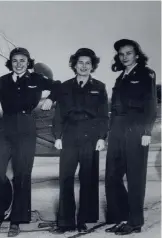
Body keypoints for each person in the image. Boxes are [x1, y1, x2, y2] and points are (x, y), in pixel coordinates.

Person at [0, 47, 60, 237]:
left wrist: (51, 98)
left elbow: (58, 86)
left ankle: (16, 221)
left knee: (22, 174)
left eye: (22, 60)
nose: (18, 64)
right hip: (6, 127)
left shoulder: (36, 79)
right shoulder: (4, 80)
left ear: (28, 62)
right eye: (15, 60)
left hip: (26, 126)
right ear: (10, 63)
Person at [50, 48, 109, 234]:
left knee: (88, 179)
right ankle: (65, 221)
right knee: (65, 178)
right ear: (74, 65)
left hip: (90, 136)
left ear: (92, 66)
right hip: (69, 134)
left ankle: (84, 219)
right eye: (80, 63)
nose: (84, 66)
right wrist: (57, 137)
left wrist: (101, 137)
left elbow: (103, 116)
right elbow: (58, 114)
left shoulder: (99, 87)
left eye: (88, 63)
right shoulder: (65, 87)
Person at [105, 39, 157, 235]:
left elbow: (151, 104)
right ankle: (121, 217)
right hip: (117, 129)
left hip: (136, 127)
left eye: (128, 53)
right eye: (121, 54)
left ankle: (135, 221)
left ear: (137, 54)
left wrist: (146, 131)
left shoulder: (145, 73)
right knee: (112, 176)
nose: (124, 57)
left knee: (135, 177)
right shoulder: (121, 77)